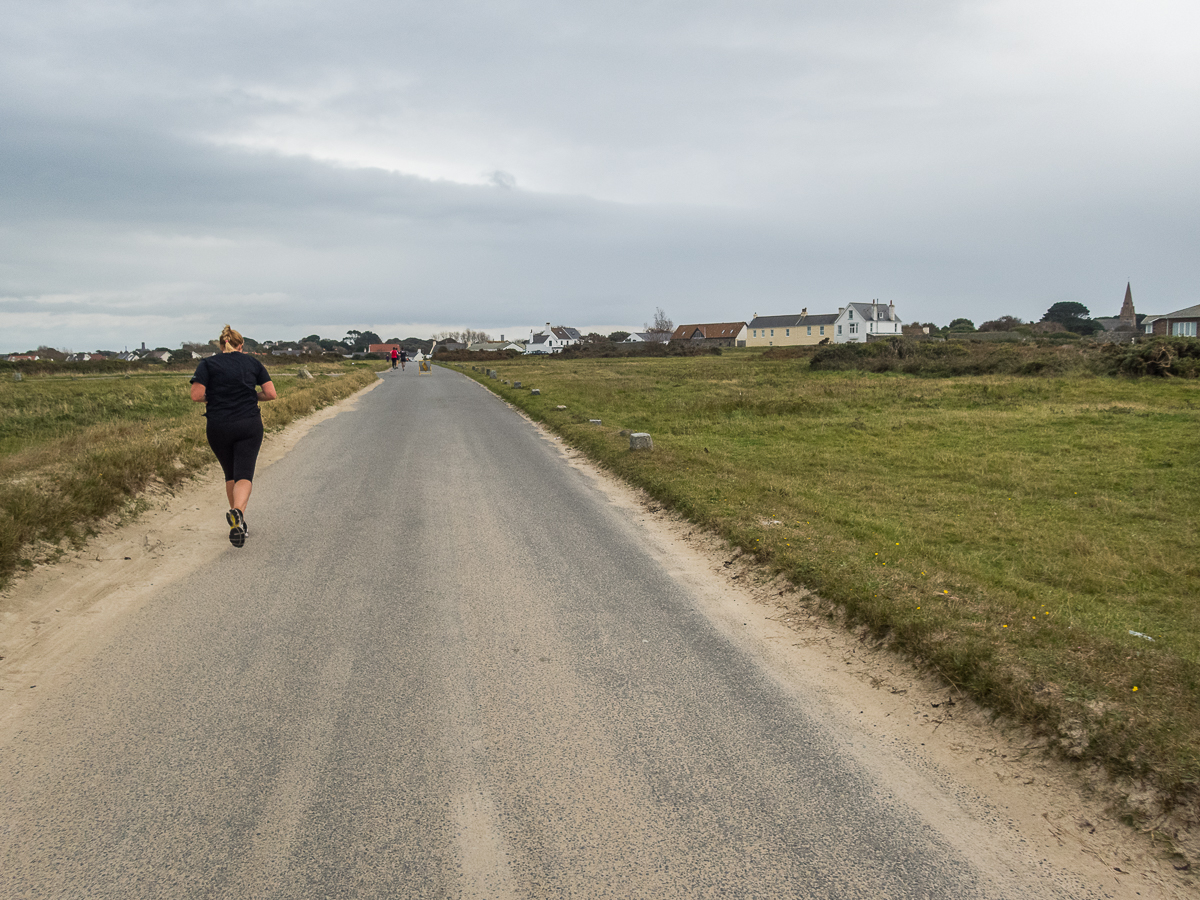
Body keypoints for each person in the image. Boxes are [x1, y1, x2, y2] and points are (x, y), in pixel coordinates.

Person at [189, 325, 276, 547]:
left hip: (218, 426)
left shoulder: (207, 364)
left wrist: (218, 398)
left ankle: (238, 523)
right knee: (244, 473)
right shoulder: (253, 363)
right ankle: (237, 512)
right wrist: (250, 396)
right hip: (248, 424)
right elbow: (270, 394)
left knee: (230, 474)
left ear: (221, 345)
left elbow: (196, 395)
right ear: (241, 345)